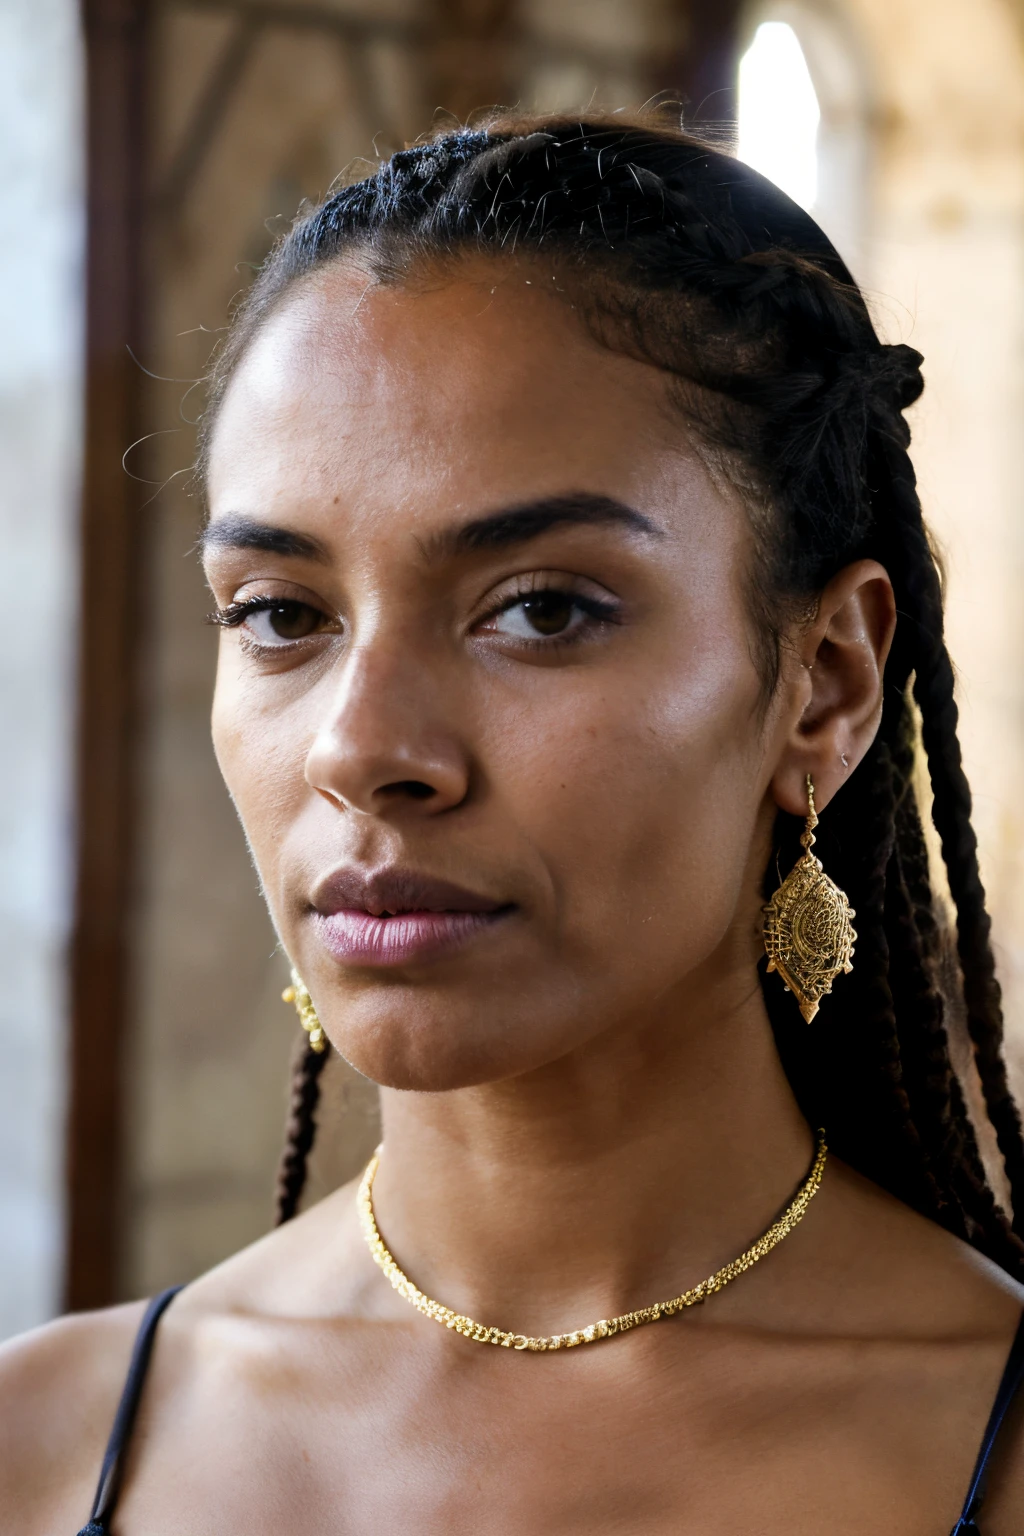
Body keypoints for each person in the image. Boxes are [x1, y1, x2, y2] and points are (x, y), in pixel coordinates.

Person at [3, 114, 1024, 1535]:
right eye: (283, 616)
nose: (362, 749)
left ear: (824, 686)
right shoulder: (43, 1453)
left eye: (541, 610)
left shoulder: (989, 1439)